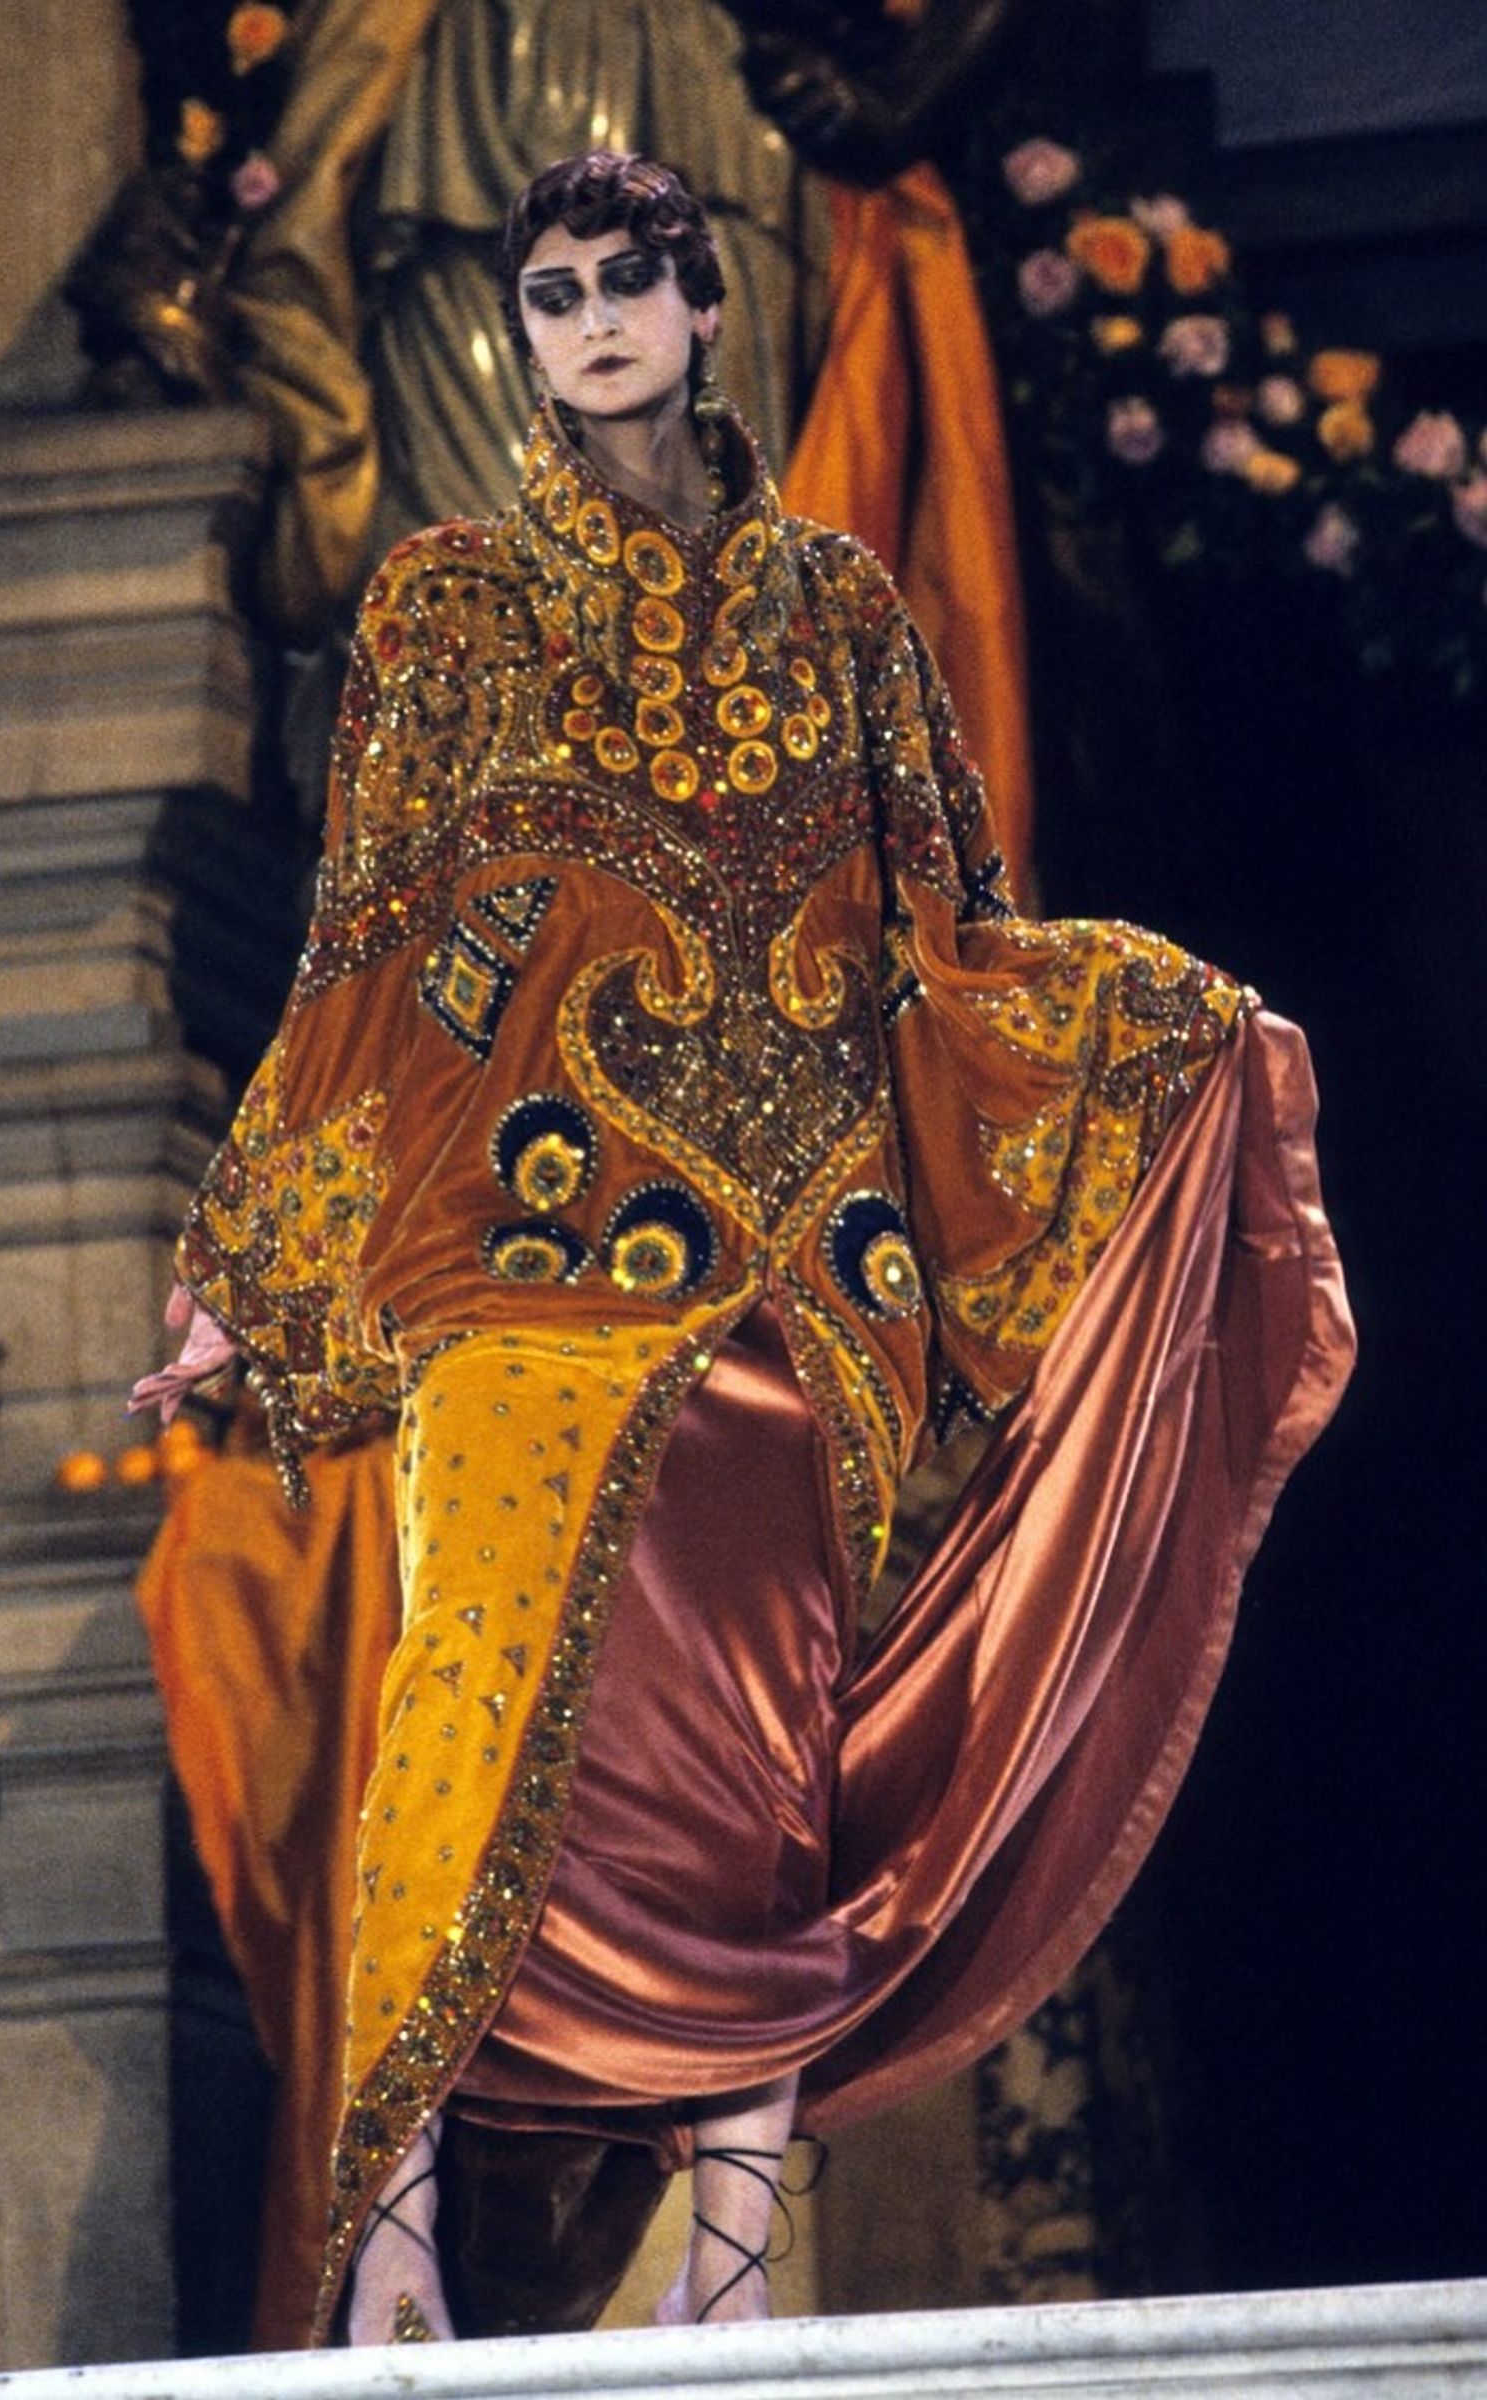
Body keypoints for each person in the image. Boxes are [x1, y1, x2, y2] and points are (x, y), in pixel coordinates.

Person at [132, 151, 1352, 2347]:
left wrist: (1163, 1030)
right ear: (519, 333)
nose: (594, 318)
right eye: (553, 290)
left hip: (801, 1278)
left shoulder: (842, 613)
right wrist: (251, 1253)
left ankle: (734, 2267)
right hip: (518, 1250)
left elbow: (948, 939)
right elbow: (368, 947)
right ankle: (391, 2237)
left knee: (747, 1768)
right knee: (464, 1707)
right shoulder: (447, 605)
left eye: (632, 280)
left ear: (706, 311)